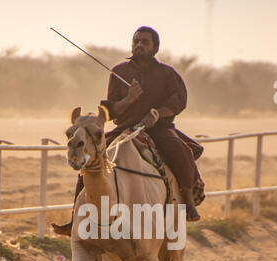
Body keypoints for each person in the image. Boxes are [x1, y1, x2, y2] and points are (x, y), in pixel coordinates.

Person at [53, 26, 204, 236]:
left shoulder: (167, 74)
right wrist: (130, 99)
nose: (139, 45)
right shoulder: (119, 72)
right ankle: (76, 217)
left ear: (155, 48)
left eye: (144, 42)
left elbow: (179, 101)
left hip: (159, 128)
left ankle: (188, 202)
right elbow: (111, 111)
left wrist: (157, 114)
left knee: (181, 152)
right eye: (136, 41)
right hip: (124, 128)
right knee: (89, 159)